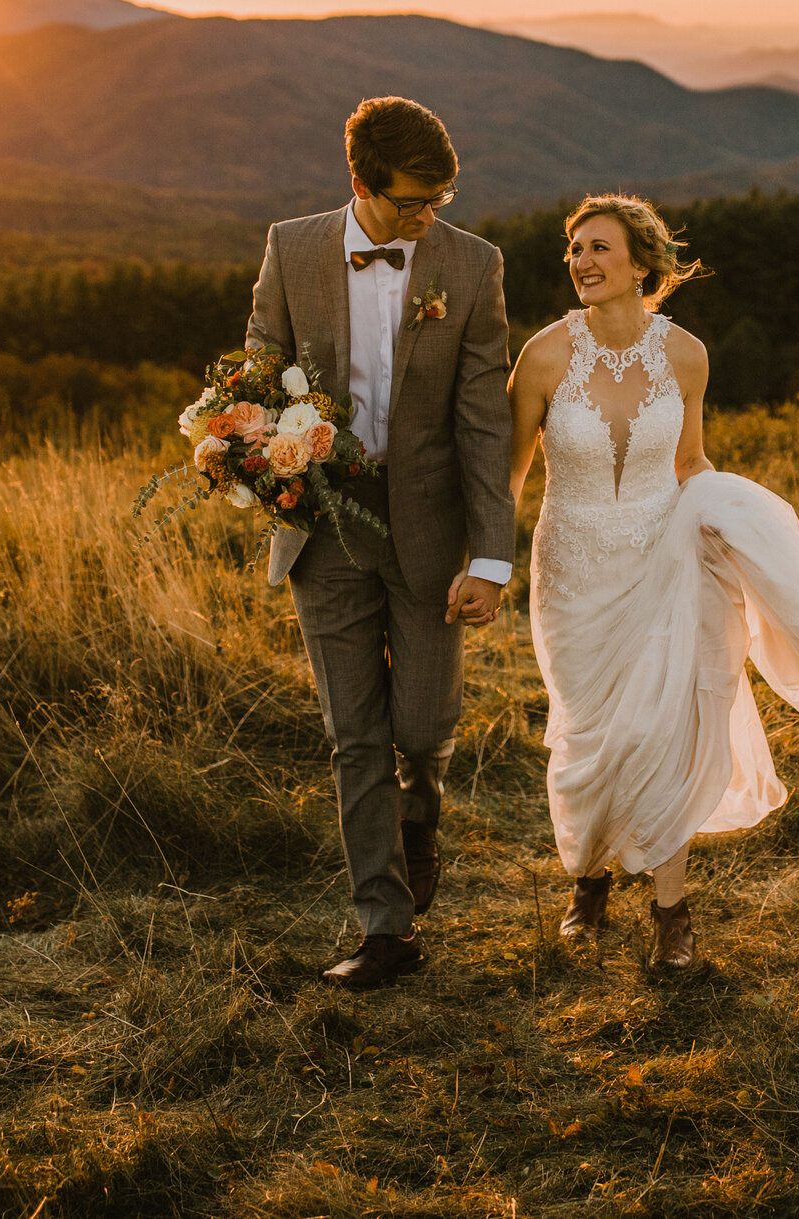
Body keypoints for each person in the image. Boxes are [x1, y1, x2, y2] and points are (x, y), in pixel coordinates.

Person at [507, 195, 799, 969]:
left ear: (641, 265)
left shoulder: (686, 356)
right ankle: (587, 879)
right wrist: (478, 562)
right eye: (574, 250)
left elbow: (690, 463)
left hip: (664, 557)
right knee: (587, 733)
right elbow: (507, 478)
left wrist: (721, 518)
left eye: (597, 248)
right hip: (571, 573)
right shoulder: (542, 357)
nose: (580, 261)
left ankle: (671, 913)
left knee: (664, 726)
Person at [246, 97, 516, 991]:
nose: (427, 215)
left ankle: (420, 814)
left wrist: (489, 554)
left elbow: (482, 420)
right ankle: (385, 927)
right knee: (354, 734)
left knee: (422, 724)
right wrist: (258, 448)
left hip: (432, 530)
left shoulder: (473, 267)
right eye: (410, 201)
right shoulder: (292, 247)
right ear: (359, 183)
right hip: (324, 528)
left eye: (440, 197)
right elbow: (259, 365)